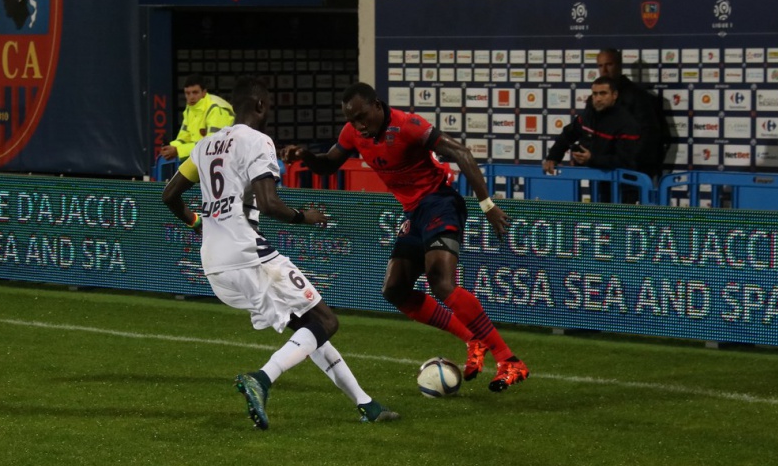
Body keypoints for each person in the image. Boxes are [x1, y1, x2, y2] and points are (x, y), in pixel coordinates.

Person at [161, 76, 399, 429]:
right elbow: (269, 203)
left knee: (309, 328)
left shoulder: (206, 145)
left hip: (213, 262)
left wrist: (198, 223)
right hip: (248, 253)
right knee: (327, 322)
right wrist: (305, 216)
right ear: (261, 105)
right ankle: (262, 378)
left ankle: (366, 404)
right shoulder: (258, 141)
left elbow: (169, 195)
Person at [283, 82, 530, 393]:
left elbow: (461, 153)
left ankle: (508, 359)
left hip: (441, 203)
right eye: (352, 119)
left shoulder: (408, 125)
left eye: (362, 117)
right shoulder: (353, 132)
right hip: (414, 212)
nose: (359, 125)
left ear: (377, 105)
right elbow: (328, 165)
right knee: (395, 290)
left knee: (441, 281)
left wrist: (488, 206)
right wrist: (306, 154)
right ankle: (473, 339)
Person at [543, 75, 643, 200]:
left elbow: (625, 160)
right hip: (597, 184)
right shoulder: (588, 116)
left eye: (603, 93)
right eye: (595, 94)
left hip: (623, 188)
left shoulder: (627, 123)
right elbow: (567, 135)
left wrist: (592, 158)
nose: (598, 98)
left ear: (614, 95)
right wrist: (553, 157)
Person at [595, 48, 671, 181]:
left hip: (630, 174)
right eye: (600, 66)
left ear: (619, 65)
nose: (604, 70)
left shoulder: (638, 96)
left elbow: (649, 133)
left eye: (609, 64)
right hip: (602, 172)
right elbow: (587, 128)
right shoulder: (596, 98)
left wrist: (630, 161)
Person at [158, 74, 234, 163]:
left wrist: (178, 151)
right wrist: (170, 147)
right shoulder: (190, 109)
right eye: (187, 93)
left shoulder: (215, 109)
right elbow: (183, 139)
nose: (191, 97)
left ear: (204, 92)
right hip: (204, 157)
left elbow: (212, 145)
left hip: (226, 159)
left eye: (195, 92)